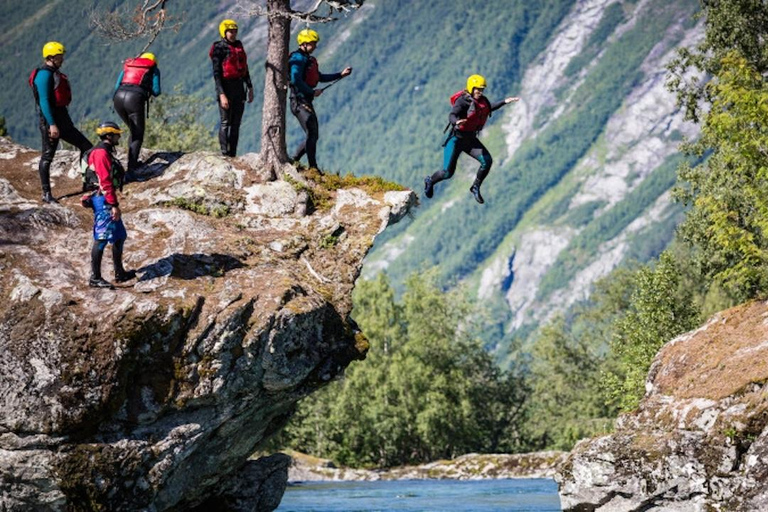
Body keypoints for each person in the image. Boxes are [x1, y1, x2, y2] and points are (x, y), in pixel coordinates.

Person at [424, 75, 519, 204]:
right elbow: (452, 115)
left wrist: (504, 101)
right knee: (447, 173)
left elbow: (489, 108)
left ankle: (475, 187)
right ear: (471, 88)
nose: (480, 92)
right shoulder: (462, 101)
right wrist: (456, 122)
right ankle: (430, 180)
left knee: (487, 161)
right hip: (456, 140)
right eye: (478, 89)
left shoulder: (482, 101)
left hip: (470, 140)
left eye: (482, 89)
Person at [30, 41, 93, 203]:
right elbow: (44, 101)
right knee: (47, 156)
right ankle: (46, 194)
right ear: (50, 57)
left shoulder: (53, 73)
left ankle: (88, 183)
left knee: (86, 146)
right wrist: (52, 124)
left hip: (63, 119)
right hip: (51, 121)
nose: (62, 59)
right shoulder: (44, 75)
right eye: (59, 56)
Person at [288, 28, 352, 171]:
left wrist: (340, 75)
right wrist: (311, 91)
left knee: (313, 134)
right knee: (312, 132)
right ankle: (312, 167)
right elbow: (295, 79)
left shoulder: (309, 59)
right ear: (303, 43)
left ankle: (296, 161)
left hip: (306, 100)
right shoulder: (297, 59)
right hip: (298, 100)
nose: (315, 46)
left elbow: (319, 77)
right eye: (312, 43)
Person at [82, 122, 135, 289]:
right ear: (109, 136)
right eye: (117, 135)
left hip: (104, 198)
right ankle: (95, 278)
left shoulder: (103, 151)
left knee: (119, 235)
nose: (119, 137)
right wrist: (114, 204)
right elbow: (105, 181)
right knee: (102, 238)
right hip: (102, 199)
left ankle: (119, 272)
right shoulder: (101, 154)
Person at [113, 52, 161, 179]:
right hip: (134, 100)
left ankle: (132, 162)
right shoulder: (153, 69)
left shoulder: (129, 66)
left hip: (118, 98)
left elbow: (116, 86)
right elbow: (157, 91)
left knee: (133, 131)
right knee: (138, 134)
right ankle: (132, 169)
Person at [209, 19, 254, 156]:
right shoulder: (219, 48)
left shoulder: (239, 46)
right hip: (225, 87)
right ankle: (224, 153)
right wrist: (222, 94)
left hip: (239, 87)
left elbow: (244, 68)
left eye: (235, 31)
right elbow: (217, 74)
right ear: (224, 32)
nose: (233, 34)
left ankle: (232, 153)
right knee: (225, 122)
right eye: (230, 31)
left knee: (236, 123)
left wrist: (250, 87)